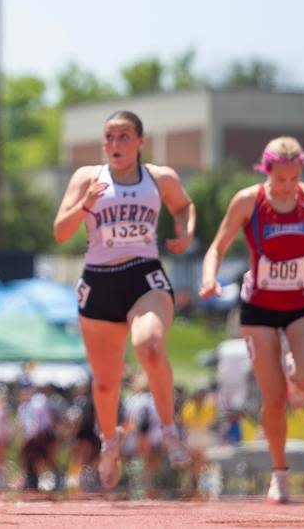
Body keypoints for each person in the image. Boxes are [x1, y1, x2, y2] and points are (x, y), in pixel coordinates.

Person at [200, 136, 304, 503]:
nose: (287, 187)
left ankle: (294, 366)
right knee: (274, 397)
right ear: (266, 172)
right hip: (258, 309)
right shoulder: (248, 201)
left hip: (297, 304)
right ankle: (279, 473)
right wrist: (209, 278)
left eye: (293, 178)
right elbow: (217, 247)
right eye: (280, 179)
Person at [52, 110, 194, 489]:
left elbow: (183, 205)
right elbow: (61, 232)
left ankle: (168, 428)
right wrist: (85, 204)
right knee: (105, 382)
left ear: (140, 142)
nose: (115, 144)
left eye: (124, 137)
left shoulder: (159, 177)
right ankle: (109, 443)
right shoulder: (87, 178)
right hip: (99, 282)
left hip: (143, 276)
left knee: (148, 348)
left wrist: (185, 229)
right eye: (109, 137)